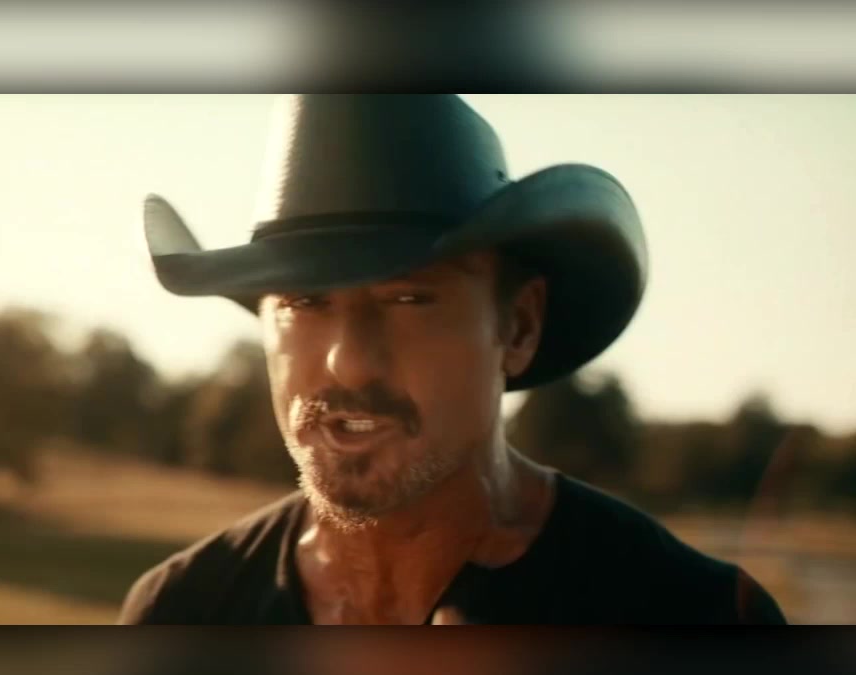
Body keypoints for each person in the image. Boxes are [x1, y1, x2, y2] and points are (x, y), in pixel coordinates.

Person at [118, 94, 786, 624]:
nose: (348, 362)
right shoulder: (180, 614)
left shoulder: (694, 617)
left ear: (519, 326)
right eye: (303, 301)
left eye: (409, 297)